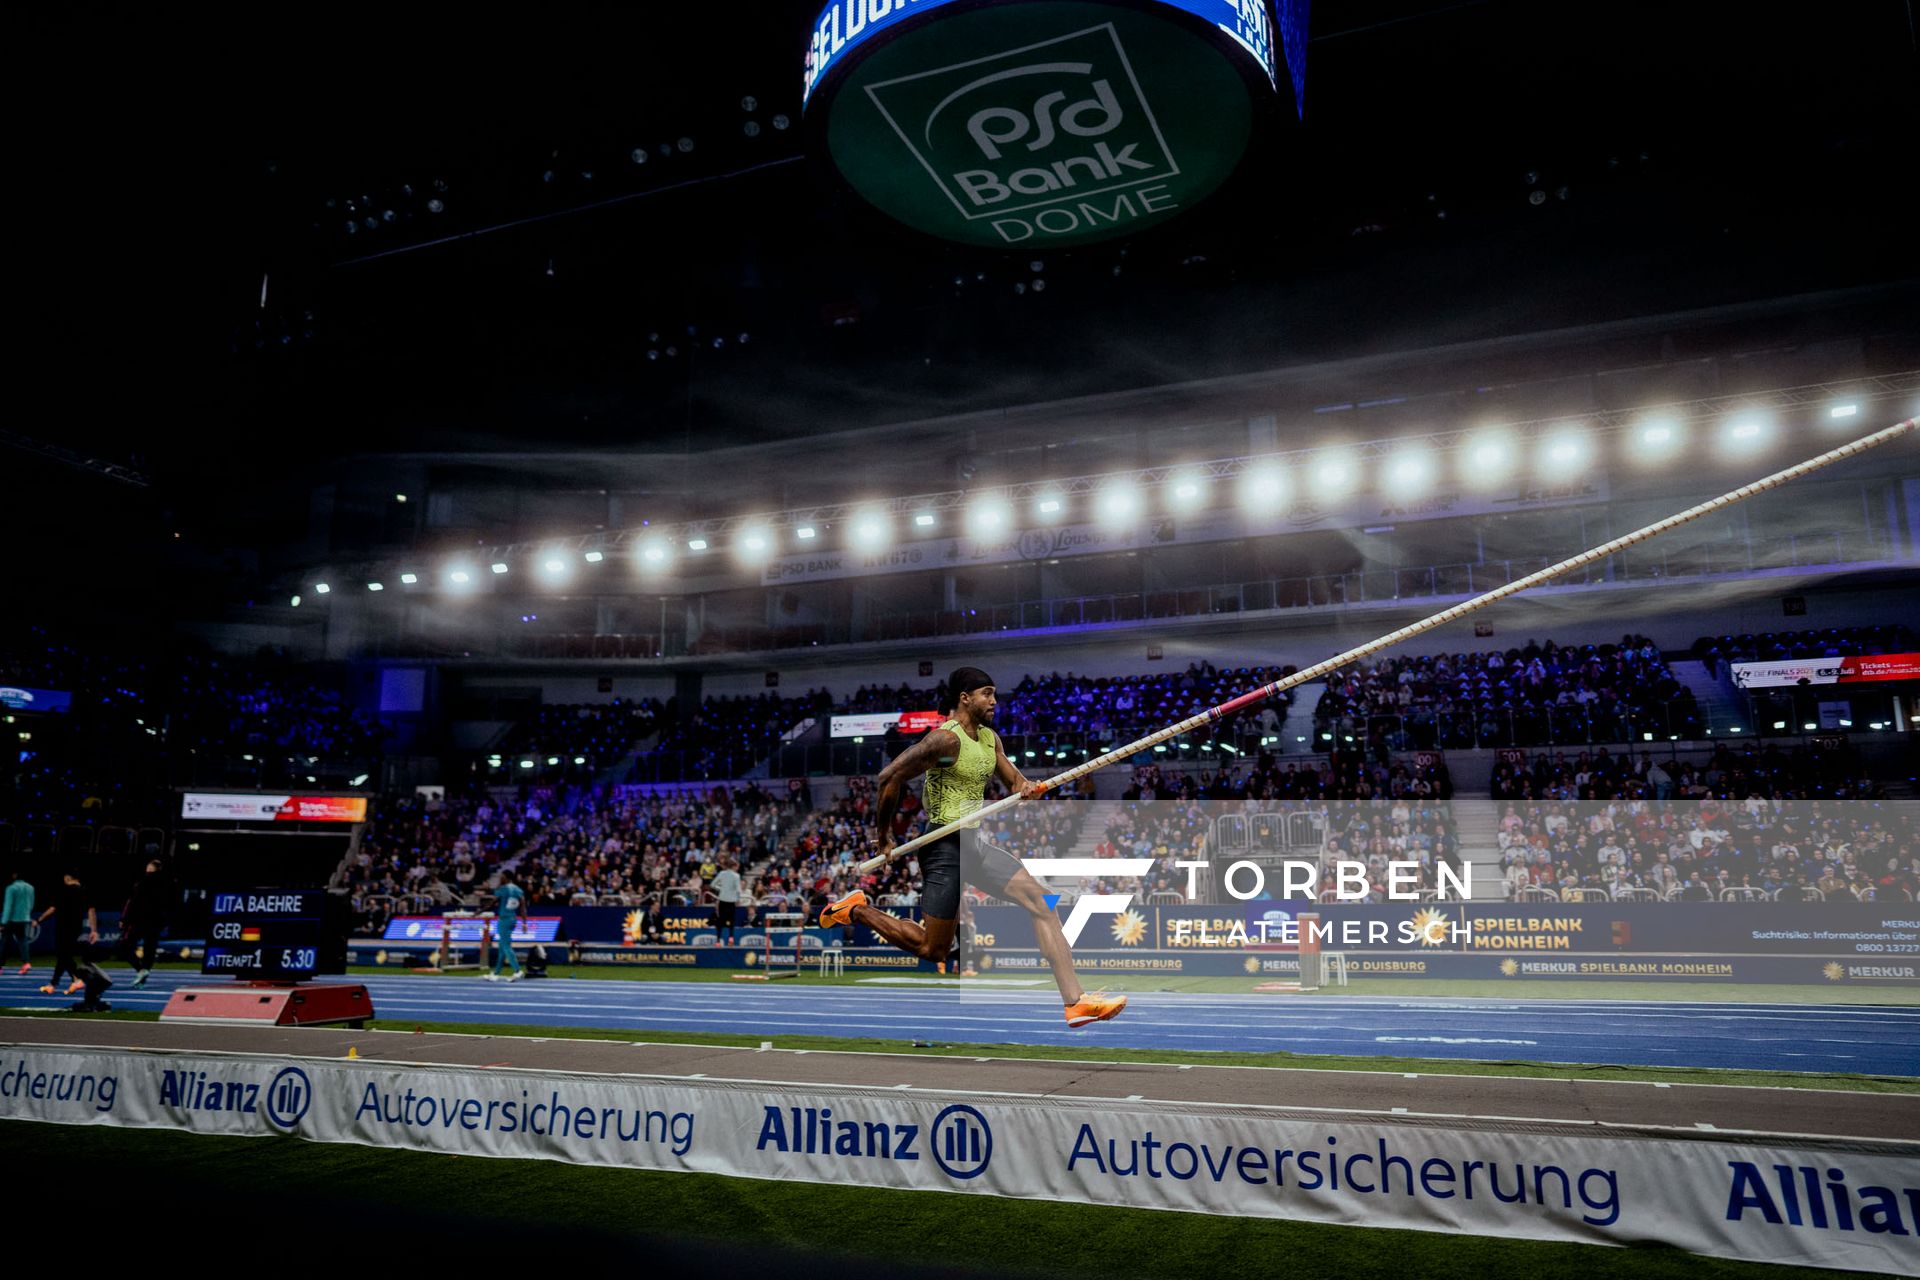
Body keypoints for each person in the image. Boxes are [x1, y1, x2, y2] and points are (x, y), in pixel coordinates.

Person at [820, 667, 1125, 1028]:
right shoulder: (944, 741)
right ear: (965, 698)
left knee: (1043, 902)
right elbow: (889, 777)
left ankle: (1075, 1003)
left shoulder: (989, 739)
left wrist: (1028, 787)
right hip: (942, 845)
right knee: (932, 949)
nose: (994, 701)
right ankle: (856, 910)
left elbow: (1013, 780)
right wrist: (884, 835)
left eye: (994, 694)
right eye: (987, 693)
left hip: (974, 843)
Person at [36, 870, 97, 997]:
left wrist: (39, 920)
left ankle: (61, 982)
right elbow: (91, 911)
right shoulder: (85, 890)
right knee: (65, 955)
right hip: (76, 927)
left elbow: (52, 909)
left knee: (63, 955)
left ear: (68, 878)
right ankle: (72, 980)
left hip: (62, 926)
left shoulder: (64, 891)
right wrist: (93, 930)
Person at [119, 858, 170, 987]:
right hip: (156, 921)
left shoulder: (143, 882)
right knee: (150, 948)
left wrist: (124, 919)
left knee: (125, 946)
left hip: (139, 920)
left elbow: (132, 902)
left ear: (150, 868)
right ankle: (144, 972)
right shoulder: (166, 883)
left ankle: (140, 969)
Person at [487, 872, 526, 982]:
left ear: (507, 878)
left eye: (502, 877)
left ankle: (517, 970)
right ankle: (496, 973)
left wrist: (479, 911)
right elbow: (523, 907)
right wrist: (524, 922)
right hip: (513, 919)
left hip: (504, 919)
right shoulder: (518, 890)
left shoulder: (503, 889)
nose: (500, 879)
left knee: (506, 947)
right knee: (502, 948)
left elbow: (492, 903)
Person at [2, 871, 32, 975]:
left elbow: (8, 905)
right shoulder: (30, 888)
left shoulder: (11, 888)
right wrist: (26, 915)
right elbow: (31, 903)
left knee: (4, 942)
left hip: (12, 919)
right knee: (23, 941)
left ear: (15, 876)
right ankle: (26, 962)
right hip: (24, 918)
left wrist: (4, 922)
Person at [711, 857, 742, 944]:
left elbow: (713, 885)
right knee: (731, 920)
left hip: (722, 900)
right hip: (731, 901)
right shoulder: (736, 876)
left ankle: (718, 941)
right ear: (733, 866)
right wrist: (738, 899)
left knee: (720, 920)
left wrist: (721, 888)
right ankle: (731, 937)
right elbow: (738, 889)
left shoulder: (721, 873)